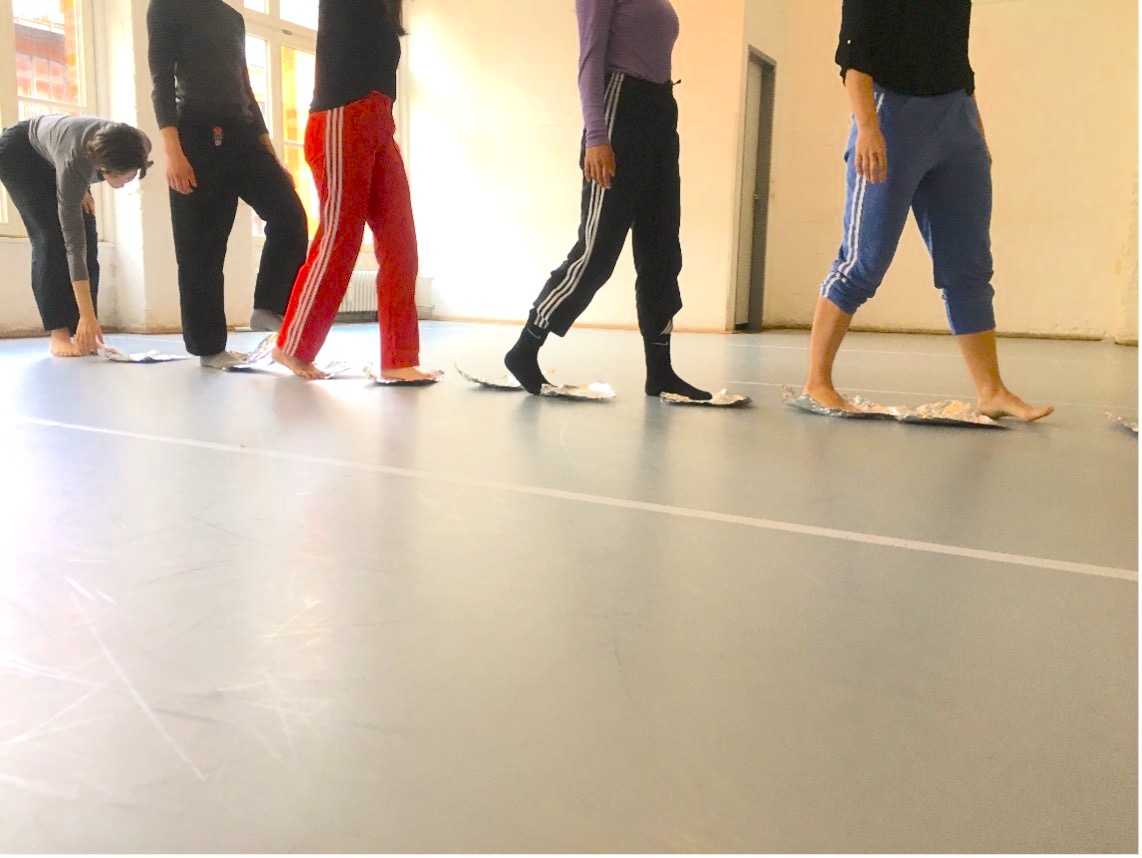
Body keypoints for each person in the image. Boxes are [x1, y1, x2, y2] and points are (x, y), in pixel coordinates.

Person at [800, 0, 1052, 421]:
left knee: (968, 264)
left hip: (956, 119)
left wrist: (977, 135)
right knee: (863, 261)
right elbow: (853, 55)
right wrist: (868, 128)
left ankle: (991, 391)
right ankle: (818, 383)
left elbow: (959, 63)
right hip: (891, 117)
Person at [503, 0, 713, 400]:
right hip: (621, 109)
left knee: (662, 249)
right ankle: (525, 348)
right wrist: (597, 136)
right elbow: (590, 58)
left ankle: (661, 371)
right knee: (597, 251)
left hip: (660, 110)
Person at [272, 0, 435, 382]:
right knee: (340, 237)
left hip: (380, 121)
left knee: (401, 244)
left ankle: (398, 360)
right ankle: (292, 345)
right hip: (341, 115)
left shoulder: (386, 11)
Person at [147, 0, 309, 368]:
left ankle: (268, 306)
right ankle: (209, 348)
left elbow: (245, 87)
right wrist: (174, 151)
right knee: (201, 248)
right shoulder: (167, 7)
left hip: (242, 135)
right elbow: (161, 80)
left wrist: (270, 152)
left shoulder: (232, 17)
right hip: (195, 138)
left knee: (289, 215)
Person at [0, 115, 151, 356]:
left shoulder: (138, 145)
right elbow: (74, 246)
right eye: (118, 176)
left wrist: (79, 186)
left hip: (64, 158)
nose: (124, 182)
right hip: (21, 152)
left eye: (130, 174)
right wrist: (74, 186)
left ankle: (85, 333)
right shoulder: (75, 161)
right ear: (102, 166)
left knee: (89, 235)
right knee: (52, 237)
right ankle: (59, 335)